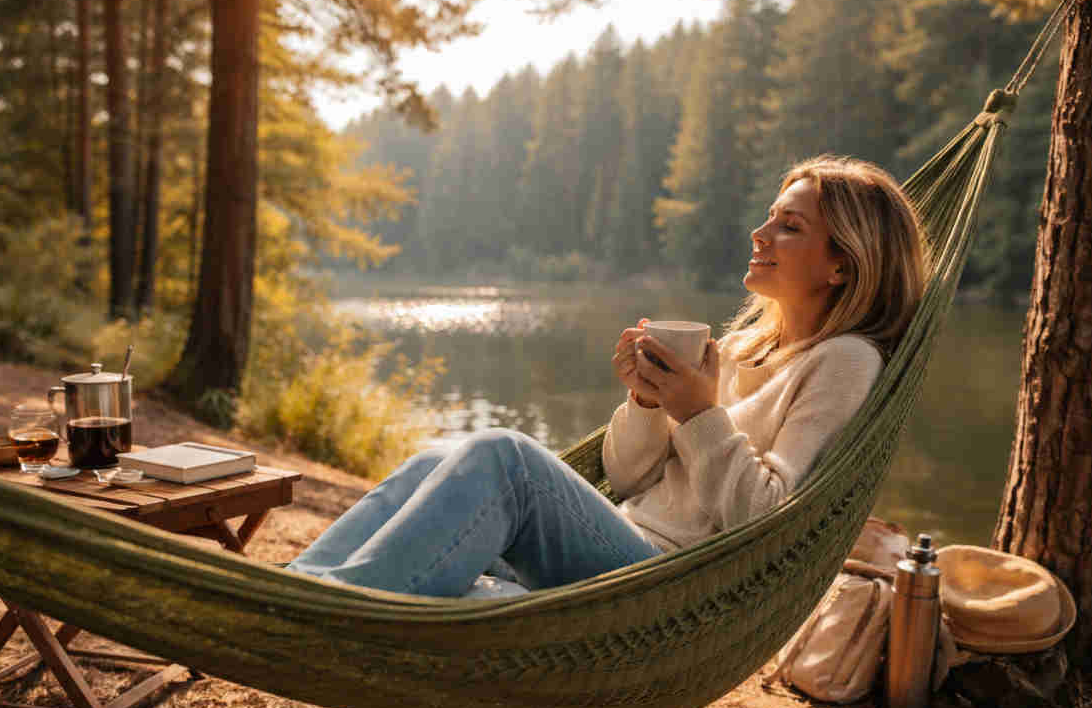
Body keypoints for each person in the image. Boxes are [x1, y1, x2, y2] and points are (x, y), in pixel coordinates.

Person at [286, 155, 929, 597]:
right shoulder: (738, 347)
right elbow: (626, 478)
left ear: (842, 266)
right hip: (621, 541)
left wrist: (700, 414)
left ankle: (335, 609)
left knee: (503, 456)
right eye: (769, 217)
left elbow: (767, 524)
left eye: (789, 227)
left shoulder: (844, 360)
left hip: (673, 581)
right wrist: (649, 401)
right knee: (440, 458)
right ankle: (299, 589)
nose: (760, 233)